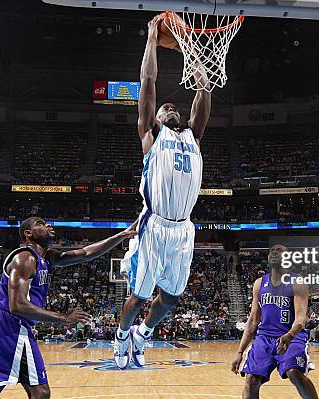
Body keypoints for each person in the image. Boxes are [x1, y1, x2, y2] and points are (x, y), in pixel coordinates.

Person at [114, 14, 211, 369]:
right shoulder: (151, 137)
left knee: (171, 298)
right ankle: (122, 336)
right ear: (154, 119)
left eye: (174, 108)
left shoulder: (192, 137)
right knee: (138, 296)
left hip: (184, 227)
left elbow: (203, 90)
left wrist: (190, 49)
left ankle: (142, 334)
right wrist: (152, 39)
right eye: (164, 108)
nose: (170, 108)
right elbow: (148, 80)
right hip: (153, 226)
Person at [0, 216, 135, 398]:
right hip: (8, 323)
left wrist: (121, 236)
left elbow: (87, 253)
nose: (48, 225)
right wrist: (63, 318)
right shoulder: (25, 258)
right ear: (28, 234)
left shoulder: (47, 257)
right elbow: (17, 305)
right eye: (40, 223)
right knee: (41, 392)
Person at [231, 245, 318, 399]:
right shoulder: (259, 284)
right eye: (272, 251)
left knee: (294, 373)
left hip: (292, 337)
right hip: (264, 338)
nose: (274, 253)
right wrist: (239, 352)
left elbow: (300, 318)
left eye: (279, 251)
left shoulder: (297, 282)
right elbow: (252, 322)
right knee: (251, 379)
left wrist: (289, 336)